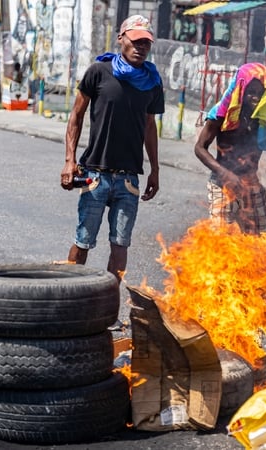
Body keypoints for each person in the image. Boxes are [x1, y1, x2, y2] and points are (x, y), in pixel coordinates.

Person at [60, 14, 164, 328]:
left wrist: (155, 170)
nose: (141, 47)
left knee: (120, 247)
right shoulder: (98, 72)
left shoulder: (151, 81)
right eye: (136, 40)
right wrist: (69, 160)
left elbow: (150, 127)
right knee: (83, 241)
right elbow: (76, 116)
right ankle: (69, 303)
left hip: (129, 181)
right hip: (94, 175)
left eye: (146, 42)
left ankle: (104, 311)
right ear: (121, 38)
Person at [194, 62, 266, 235]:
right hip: (222, 182)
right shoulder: (223, 111)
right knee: (221, 242)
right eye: (251, 92)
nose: (255, 98)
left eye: (260, 93)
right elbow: (199, 148)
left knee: (260, 240)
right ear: (240, 90)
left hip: (250, 182)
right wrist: (225, 174)